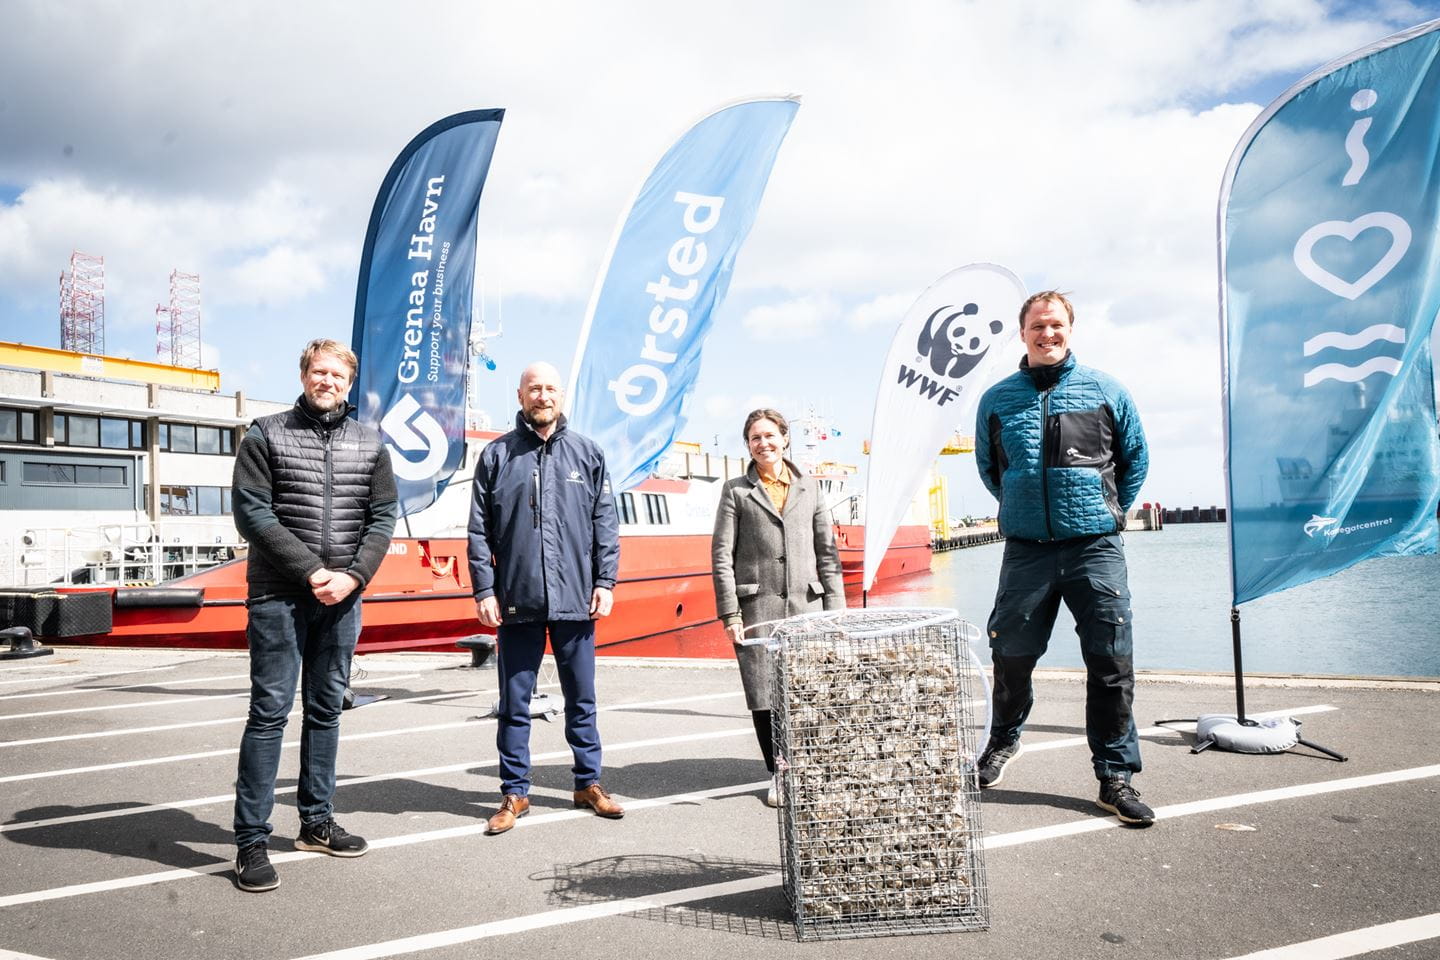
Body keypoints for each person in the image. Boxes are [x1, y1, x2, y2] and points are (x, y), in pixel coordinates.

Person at [973, 291, 1154, 825]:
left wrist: (1107, 509)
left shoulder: (1106, 390)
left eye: (1055, 325)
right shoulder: (998, 399)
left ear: (1070, 329)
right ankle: (1003, 741)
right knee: (1010, 655)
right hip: (1027, 551)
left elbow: (1134, 459)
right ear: (1022, 332)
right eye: (1036, 326)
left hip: (1094, 548)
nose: (1046, 334)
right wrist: (1023, 506)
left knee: (1110, 664)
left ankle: (1114, 777)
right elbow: (991, 470)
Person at [230, 338, 398, 891]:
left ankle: (316, 823)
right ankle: (251, 841)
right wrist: (311, 570)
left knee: (326, 710)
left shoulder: (370, 443)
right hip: (279, 594)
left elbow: (382, 516)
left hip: (343, 596)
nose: (328, 382)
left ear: (349, 384)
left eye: (338, 376)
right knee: (270, 713)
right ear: (304, 375)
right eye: (319, 372)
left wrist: (352, 577)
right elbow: (252, 512)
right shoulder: (267, 433)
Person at [468, 361, 623, 835]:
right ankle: (514, 792)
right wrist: (484, 588)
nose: (543, 395)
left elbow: (605, 525)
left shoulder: (588, 454)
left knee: (583, 699)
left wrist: (605, 581)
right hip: (518, 599)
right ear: (520, 396)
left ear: (562, 397)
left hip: (577, 596)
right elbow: (479, 530)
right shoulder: (497, 456)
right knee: (514, 704)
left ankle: (588, 784)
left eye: (551, 388)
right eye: (534, 388)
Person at [711, 408, 845, 807]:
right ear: (748, 445)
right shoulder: (736, 491)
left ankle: (811, 769)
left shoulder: (811, 488)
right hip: (757, 606)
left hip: (808, 604)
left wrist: (835, 608)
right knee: (764, 693)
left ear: (785, 438)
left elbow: (827, 551)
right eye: (755, 438)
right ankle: (780, 773)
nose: (763, 443)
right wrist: (730, 612)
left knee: (810, 691)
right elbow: (722, 555)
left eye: (770, 435)